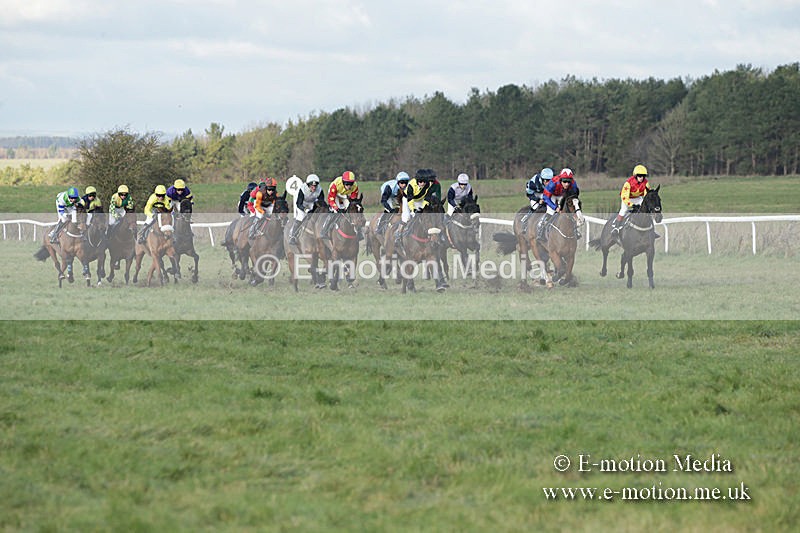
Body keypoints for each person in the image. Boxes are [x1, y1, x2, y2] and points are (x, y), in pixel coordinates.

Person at [536, 168, 581, 243]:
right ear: (560, 180)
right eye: (564, 181)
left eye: (569, 182)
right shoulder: (553, 183)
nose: (567, 184)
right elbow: (546, 197)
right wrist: (555, 207)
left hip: (563, 195)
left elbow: (575, 195)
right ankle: (541, 231)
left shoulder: (573, 184)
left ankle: (575, 231)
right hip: (552, 195)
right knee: (550, 211)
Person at [320, 170, 359, 241]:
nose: (349, 187)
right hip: (335, 194)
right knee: (335, 212)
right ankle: (324, 230)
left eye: (351, 184)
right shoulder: (335, 185)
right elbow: (331, 199)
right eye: (347, 184)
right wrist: (336, 208)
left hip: (344, 195)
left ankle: (359, 231)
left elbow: (353, 199)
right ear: (343, 182)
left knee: (352, 210)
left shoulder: (355, 186)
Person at [612, 164, 649, 234]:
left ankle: (649, 227)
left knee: (645, 208)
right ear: (635, 175)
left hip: (637, 198)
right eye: (640, 176)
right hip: (627, 198)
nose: (642, 178)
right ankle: (616, 227)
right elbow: (624, 197)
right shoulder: (628, 183)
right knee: (624, 210)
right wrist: (632, 205)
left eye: (644, 176)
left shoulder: (646, 182)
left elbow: (646, 194)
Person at [288, 174, 324, 244]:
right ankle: (293, 235)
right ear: (308, 185)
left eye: (315, 186)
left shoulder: (319, 190)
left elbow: (321, 202)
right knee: (301, 217)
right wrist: (305, 210)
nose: (314, 188)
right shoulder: (302, 189)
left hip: (313, 203)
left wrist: (315, 209)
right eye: (312, 186)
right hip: (303, 204)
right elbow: (298, 203)